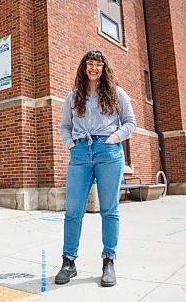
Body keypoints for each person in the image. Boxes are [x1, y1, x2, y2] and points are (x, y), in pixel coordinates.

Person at [55, 50, 136, 287]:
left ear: (104, 68)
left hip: (108, 152)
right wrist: (70, 144)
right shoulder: (73, 97)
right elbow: (64, 127)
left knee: (109, 210)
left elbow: (131, 122)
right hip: (80, 152)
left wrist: (113, 139)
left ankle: (108, 260)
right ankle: (68, 262)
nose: (94, 68)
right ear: (83, 67)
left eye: (98, 64)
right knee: (73, 210)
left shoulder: (116, 93)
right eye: (90, 63)